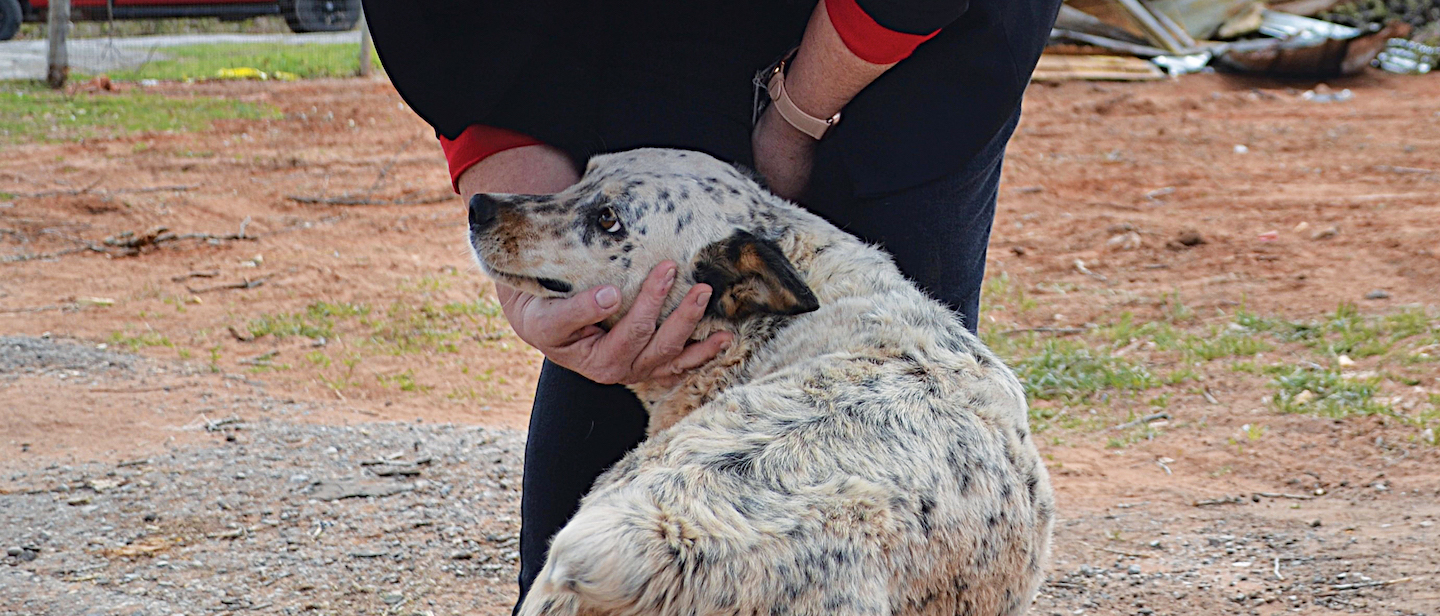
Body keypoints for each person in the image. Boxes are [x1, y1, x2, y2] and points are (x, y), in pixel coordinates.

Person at [361, 0, 1061, 610]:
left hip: (917, 52)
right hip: (668, 24)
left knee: (907, 428)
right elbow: (450, 27)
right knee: (636, 310)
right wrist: (533, 259)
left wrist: (793, 119)